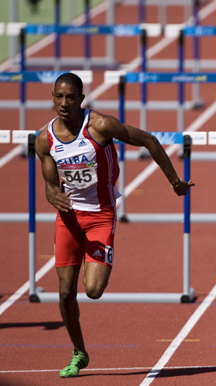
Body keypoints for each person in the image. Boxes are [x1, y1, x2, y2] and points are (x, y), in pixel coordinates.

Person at [34, 73, 194, 378]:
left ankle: (102, 255)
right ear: (53, 98)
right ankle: (79, 352)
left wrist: (174, 181)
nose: (64, 103)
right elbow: (50, 184)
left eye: (70, 97)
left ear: (81, 99)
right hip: (68, 219)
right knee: (65, 293)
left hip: (100, 216)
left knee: (93, 290)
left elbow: (147, 139)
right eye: (58, 97)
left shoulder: (101, 126)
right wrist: (52, 193)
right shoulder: (45, 139)